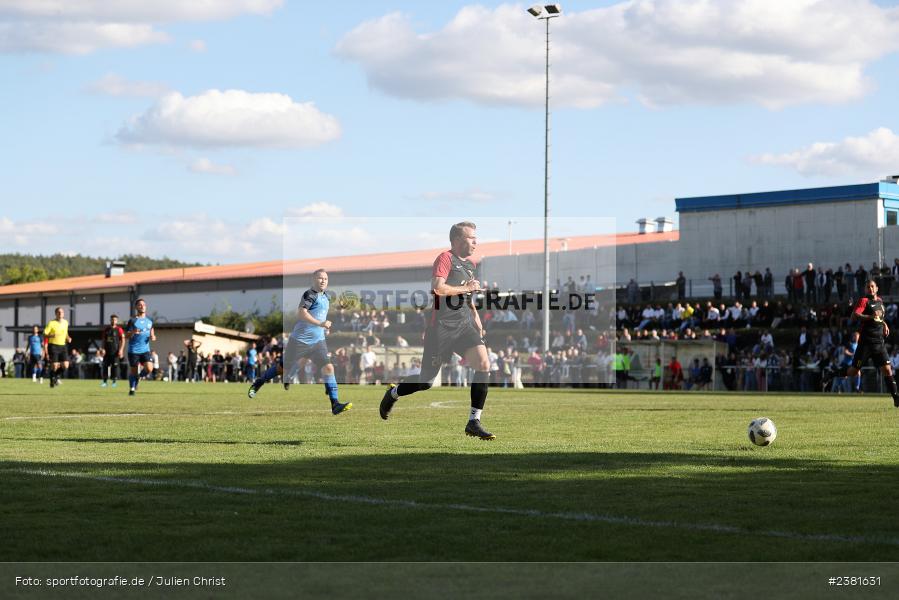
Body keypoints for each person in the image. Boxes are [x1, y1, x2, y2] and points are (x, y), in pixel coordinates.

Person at [379, 221, 495, 440]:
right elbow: (438, 288)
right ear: (457, 239)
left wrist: (477, 320)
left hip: (464, 327)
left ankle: (473, 421)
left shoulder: (470, 265)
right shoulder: (445, 258)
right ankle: (393, 393)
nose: (475, 242)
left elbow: (467, 297)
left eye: (476, 238)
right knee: (425, 382)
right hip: (441, 329)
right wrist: (466, 287)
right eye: (471, 238)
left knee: (484, 364)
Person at [247, 269, 351, 415]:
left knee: (328, 368)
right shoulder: (309, 294)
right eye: (320, 278)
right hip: (300, 341)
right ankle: (258, 382)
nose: (323, 281)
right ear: (313, 280)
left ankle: (335, 404)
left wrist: (324, 326)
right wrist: (320, 324)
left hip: (318, 342)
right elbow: (302, 313)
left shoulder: (326, 296)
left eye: (326, 279)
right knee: (283, 368)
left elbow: (321, 313)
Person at [846, 280, 899, 406]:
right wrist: (870, 317)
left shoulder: (880, 301)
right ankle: (832, 374)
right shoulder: (864, 300)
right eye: (868, 287)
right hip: (866, 343)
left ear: (877, 288)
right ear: (865, 289)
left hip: (879, 342)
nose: (870, 288)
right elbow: (855, 316)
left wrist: (884, 324)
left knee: (887, 369)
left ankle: (896, 398)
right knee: (853, 372)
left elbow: (879, 317)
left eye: (872, 286)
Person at [125, 298, 156, 396]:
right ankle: (132, 389)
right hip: (133, 350)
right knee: (133, 372)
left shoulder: (150, 320)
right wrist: (133, 332)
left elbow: (152, 331)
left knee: (150, 368)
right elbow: (126, 336)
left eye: (144, 305)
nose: (142, 306)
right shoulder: (132, 321)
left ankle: (139, 377)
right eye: (140, 305)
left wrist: (153, 336)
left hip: (145, 350)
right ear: (136, 307)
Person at [43, 307, 72, 388]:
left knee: (66, 365)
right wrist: (50, 335)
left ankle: (55, 377)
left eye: (62, 312)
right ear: (56, 314)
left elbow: (66, 333)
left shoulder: (66, 322)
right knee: (55, 366)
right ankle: (52, 379)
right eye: (58, 312)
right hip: (53, 346)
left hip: (63, 346)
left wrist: (68, 338)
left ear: (63, 314)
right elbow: (44, 334)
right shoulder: (51, 323)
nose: (60, 314)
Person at [100, 314, 125, 387]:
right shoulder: (106, 329)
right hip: (107, 351)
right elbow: (103, 340)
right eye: (112, 319)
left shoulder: (119, 329)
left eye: (115, 320)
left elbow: (123, 340)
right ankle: (104, 382)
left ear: (117, 321)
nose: (113, 321)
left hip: (115, 352)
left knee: (115, 366)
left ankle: (114, 382)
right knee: (105, 366)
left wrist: (121, 350)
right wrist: (103, 349)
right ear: (110, 320)